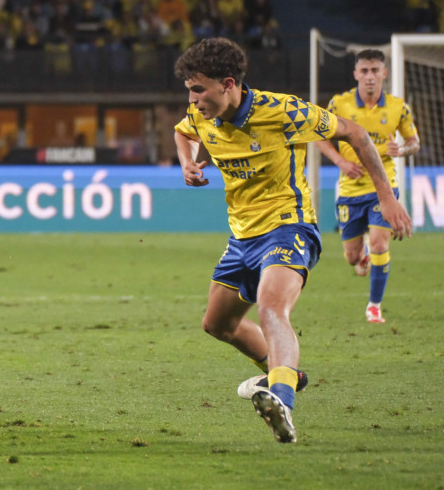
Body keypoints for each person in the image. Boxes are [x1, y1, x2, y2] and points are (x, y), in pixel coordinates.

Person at [173, 38, 411, 443]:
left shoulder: (283, 110)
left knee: (271, 306)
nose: (193, 99)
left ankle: (280, 397)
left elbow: (353, 132)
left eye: (199, 90)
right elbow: (183, 132)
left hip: (290, 226)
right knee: (217, 324)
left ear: (228, 84)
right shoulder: (201, 116)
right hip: (242, 235)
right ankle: (287, 374)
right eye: (190, 90)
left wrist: (386, 195)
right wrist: (187, 164)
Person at [316, 49, 419, 324]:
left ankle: (374, 305)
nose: (370, 77)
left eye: (375, 71)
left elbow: (414, 142)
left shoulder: (399, 106)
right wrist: (340, 161)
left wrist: (404, 149)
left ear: (384, 73)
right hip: (350, 189)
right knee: (351, 257)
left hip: (384, 188)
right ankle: (360, 259)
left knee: (378, 243)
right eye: (364, 71)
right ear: (356, 75)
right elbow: (318, 137)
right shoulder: (339, 104)